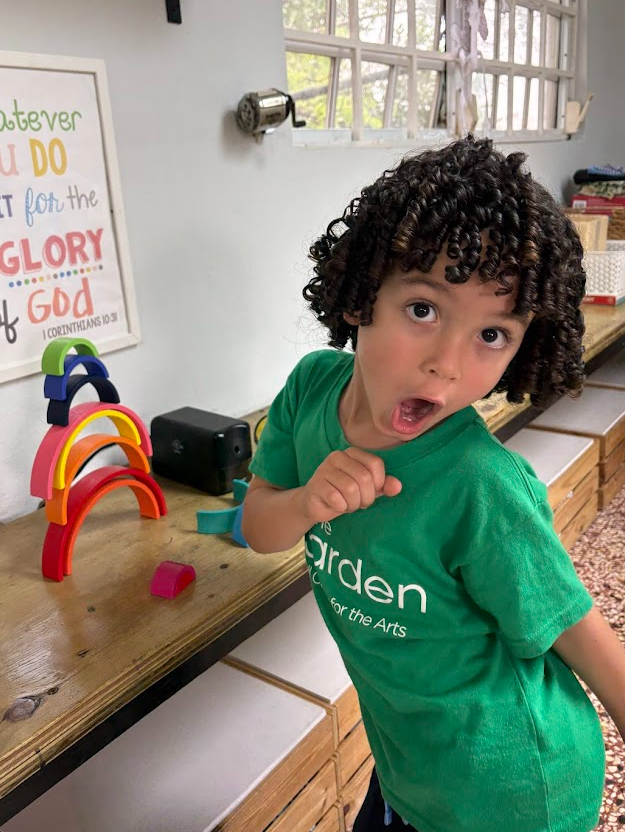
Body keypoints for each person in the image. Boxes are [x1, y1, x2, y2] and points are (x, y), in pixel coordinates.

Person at [242, 136, 625, 832]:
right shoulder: (310, 389)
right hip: (408, 766)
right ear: (362, 294)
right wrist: (305, 501)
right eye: (424, 309)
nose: (446, 363)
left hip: (512, 792)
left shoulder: (481, 486)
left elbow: (579, 630)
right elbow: (260, 527)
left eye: (492, 334)